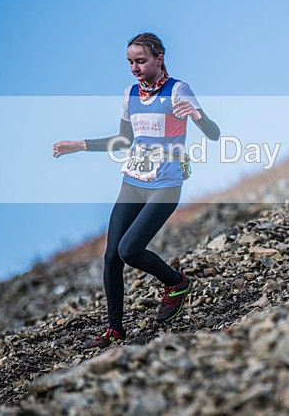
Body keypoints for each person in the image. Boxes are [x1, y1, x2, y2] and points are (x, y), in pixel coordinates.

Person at [53, 32, 220, 349]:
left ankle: (176, 282)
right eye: (130, 62)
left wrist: (198, 116)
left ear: (159, 58)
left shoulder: (178, 90)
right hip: (133, 182)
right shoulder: (130, 94)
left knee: (130, 250)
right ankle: (113, 330)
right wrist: (80, 145)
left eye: (140, 61)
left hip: (166, 185)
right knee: (111, 256)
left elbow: (213, 133)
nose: (134, 68)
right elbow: (124, 140)